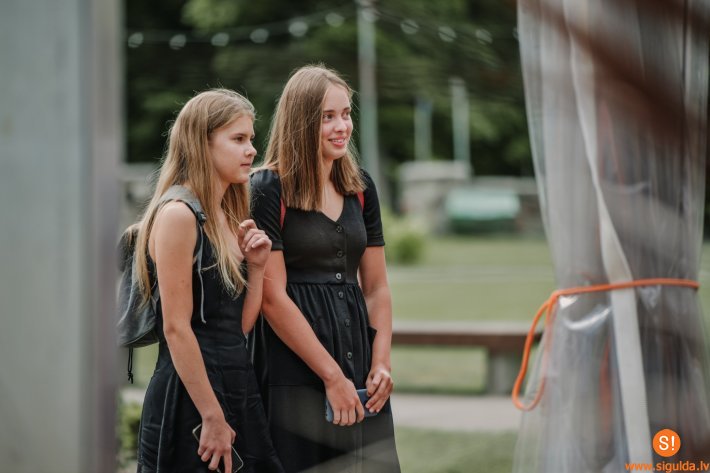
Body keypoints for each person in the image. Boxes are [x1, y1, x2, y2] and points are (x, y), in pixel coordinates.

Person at [250, 65, 401, 472]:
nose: (342, 127)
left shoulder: (361, 187)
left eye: (346, 114)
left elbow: (376, 287)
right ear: (301, 122)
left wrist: (380, 362)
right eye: (327, 117)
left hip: (358, 358)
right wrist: (331, 377)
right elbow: (271, 297)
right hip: (294, 365)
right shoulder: (267, 188)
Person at [133, 89, 284, 473]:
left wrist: (256, 267)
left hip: (236, 385)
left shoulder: (228, 215)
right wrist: (211, 415)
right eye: (238, 139)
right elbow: (176, 327)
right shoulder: (178, 214)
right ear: (202, 143)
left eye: (251, 138)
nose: (252, 149)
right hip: (191, 398)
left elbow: (238, 328)